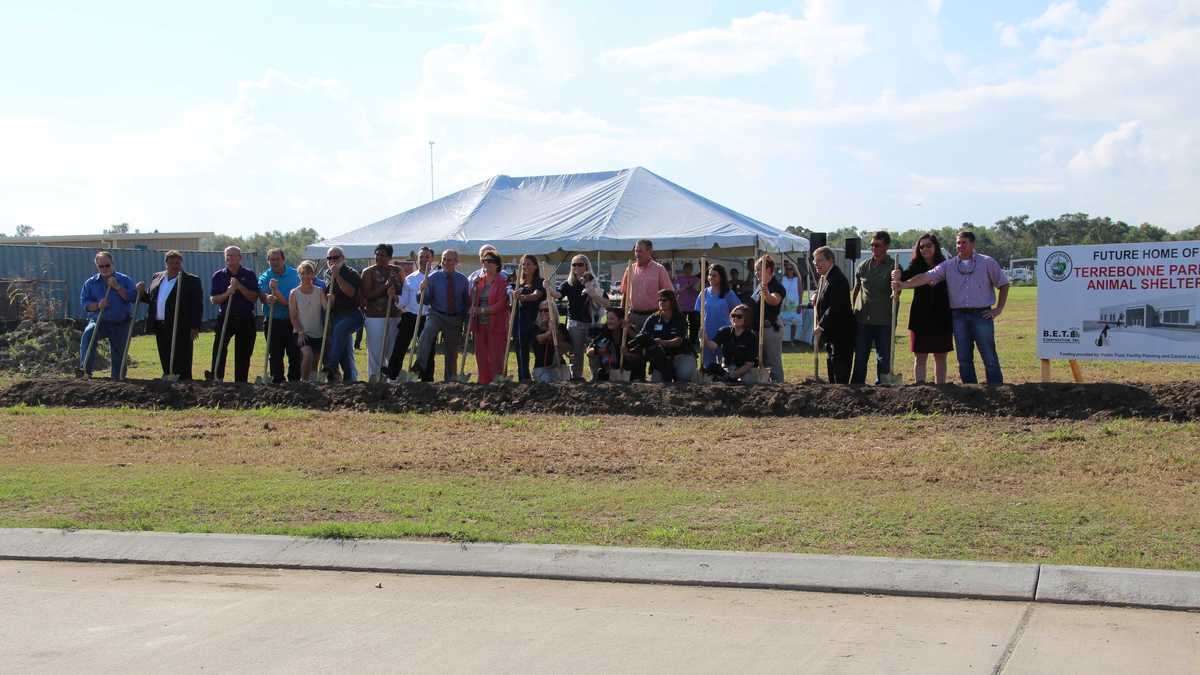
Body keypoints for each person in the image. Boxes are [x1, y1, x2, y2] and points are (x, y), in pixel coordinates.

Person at [893, 230, 1010, 384]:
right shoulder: (949, 265)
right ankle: (970, 390)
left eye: (964, 242)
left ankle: (997, 388)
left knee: (989, 356)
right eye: (958, 243)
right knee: (964, 358)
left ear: (973, 244)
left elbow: (1003, 284)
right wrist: (903, 285)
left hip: (982, 315)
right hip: (958, 316)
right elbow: (927, 277)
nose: (960, 246)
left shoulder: (987, 262)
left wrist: (998, 309)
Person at [141, 250, 203, 380]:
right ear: (166, 263)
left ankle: (185, 382)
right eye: (172, 263)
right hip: (160, 324)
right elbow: (150, 299)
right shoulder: (157, 278)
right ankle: (169, 378)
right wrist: (141, 292)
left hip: (181, 325)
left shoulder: (191, 280)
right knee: (165, 354)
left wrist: (195, 327)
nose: (175, 266)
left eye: (177, 263)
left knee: (182, 357)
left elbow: (197, 305)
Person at [545, 254, 607, 381]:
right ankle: (576, 377)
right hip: (575, 325)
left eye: (580, 264)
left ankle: (596, 377)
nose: (576, 267)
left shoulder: (593, 282)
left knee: (593, 352)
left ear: (586, 266)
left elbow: (606, 302)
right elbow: (557, 295)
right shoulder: (568, 284)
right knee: (576, 353)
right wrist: (548, 287)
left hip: (592, 324)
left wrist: (592, 294)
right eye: (574, 264)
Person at [78, 251, 140, 378]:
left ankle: (117, 379)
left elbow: (133, 298)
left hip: (120, 322)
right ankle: (85, 371)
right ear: (97, 267)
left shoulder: (124, 280)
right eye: (101, 266)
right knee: (88, 335)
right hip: (99, 321)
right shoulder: (90, 283)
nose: (105, 269)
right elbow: (85, 304)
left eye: (107, 265)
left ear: (112, 264)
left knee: (119, 353)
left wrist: (117, 287)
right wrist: (97, 305)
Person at [901, 233, 953, 384]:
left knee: (940, 356)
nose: (925, 249)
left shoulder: (945, 265)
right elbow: (904, 277)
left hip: (942, 316)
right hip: (920, 316)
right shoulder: (916, 264)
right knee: (920, 356)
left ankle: (941, 387)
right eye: (921, 246)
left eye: (928, 245)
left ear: (936, 247)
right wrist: (896, 272)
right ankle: (920, 387)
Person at [621, 239, 673, 381]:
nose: (637, 254)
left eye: (640, 251)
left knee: (653, 347)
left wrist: (666, 315)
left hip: (654, 316)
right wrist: (622, 314)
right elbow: (625, 294)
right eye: (636, 250)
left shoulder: (659, 269)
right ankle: (638, 377)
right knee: (635, 348)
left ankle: (657, 375)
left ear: (649, 251)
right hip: (634, 316)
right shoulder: (630, 268)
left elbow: (669, 294)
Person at [417, 249, 470, 382]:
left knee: (451, 352)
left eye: (449, 260)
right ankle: (419, 365)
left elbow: (466, 303)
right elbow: (424, 300)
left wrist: (465, 323)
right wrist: (421, 290)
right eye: (444, 259)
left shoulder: (463, 280)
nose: (445, 262)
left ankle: (450, 380)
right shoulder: (433, 277)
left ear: (456, 262)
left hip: (455, 318)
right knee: (427, 332)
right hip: (437, 314)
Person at [851, 231, 897, 385]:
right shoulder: (863, 266)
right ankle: (858, 385)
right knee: (861, 356)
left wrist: (897, 283)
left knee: (883, 357)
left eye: (877, 245)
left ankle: (883, 386)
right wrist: (853, 309)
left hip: (884, 320)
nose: (873, 248)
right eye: (871, 245)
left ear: (886, 246)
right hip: (863, 319)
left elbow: (898, 292)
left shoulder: (894, 267)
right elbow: (856, 290)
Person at [210, 245, 260, 382]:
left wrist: (239, 287)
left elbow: (254, 297)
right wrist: (228, 292)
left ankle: (241, 381)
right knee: (219, 348)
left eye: (233, 255)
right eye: (228, 255)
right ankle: (216, 377)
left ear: (240, 258)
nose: (230, 258)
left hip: (245, 317)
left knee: (243, 351)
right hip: (226, 316)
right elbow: (214, 299)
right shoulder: (219, 275)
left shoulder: (249, 274)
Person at [385, 247, 433, 381]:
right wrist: (394, 297)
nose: (423, 260)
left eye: (426, 257)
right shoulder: (410, 278)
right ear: (417, 259)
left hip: (428, 317)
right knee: (400, 344)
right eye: (421, 257)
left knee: (427, 348)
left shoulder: (435, 277)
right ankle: (392, 374)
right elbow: (403, 301)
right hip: (410, 315)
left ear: (432, 259)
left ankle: (427, 378)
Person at [630, 289, 695, 383]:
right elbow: (641, 336)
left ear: (672, 301)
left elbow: (679, 341)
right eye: (659, 300)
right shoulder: (653, 318)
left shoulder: (680, 318)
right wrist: (627, 329)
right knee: (656, 381)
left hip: (680, 354)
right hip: (661, 357)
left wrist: (662, 342)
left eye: (664, 300)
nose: (661, 302)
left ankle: (682, 374)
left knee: (683, 376)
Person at [258, 248, 302, 383]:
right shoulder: (265, 276)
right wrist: (266, 298)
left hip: (292, 320)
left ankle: (294, 381)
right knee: (275, 354)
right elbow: (261, 294)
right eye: (271, 259)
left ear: (283, 259)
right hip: (273, 321)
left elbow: (293, 302)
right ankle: (277, 382)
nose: (275, 262)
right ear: (268, 261)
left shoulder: (295, 275)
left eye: (277, 259)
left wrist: (277, 293)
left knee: (294, 352)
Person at [360, 244, 404, 381]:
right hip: (375, 317)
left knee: (393, 350)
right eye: (377, 254)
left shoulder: (397, 270)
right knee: (376, 351)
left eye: (383, 255)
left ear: (390, 257)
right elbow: (366, 295)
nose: (379, 257)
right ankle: (376, 377)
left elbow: (403, 291)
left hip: (394, 315)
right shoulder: (368, 272)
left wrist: (394, 290)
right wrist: (384, 287)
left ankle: (392, 379)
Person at [811, 245, 855, 383]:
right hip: (832, 335)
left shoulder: (837, 280)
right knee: (832, 367)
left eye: (820, 261)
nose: (816, 264)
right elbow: (822, 295)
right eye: (815, 261)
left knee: (839, 372)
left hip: (841, 334)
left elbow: (835, 307)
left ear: (830, 261)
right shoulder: (825, 277)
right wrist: (815, 296)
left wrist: (821, 326)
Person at [322, 246, 363, 382]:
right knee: (345, 351)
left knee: (339, 331)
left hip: (352, 315)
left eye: (336, 257)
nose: (332, 260)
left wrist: (337, 276)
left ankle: (330, 366)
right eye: (329, 258)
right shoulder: (326, 275)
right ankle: (349, 380)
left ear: (343, 258)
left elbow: (351, 293)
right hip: (336, 316)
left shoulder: (351, 273)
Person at [470, 251, 510, 384]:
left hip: (496, 324)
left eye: (490, 261)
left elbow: (501, 304)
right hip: (480, 324)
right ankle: (483, 381)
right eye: (484, 261)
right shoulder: (478, 281)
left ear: (497, 264)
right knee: (481, 355)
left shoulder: (502, 281)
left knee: (496, 354)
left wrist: (481, 310)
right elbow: (472, 300)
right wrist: (473, 288)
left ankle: (497, 380)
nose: (486, 263)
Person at [695, 263, 741, 369]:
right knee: (707, 366)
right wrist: (700, 330)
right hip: (707, 333)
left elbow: (739, 310)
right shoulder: (704, 293)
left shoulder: (728, 293)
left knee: (726, 366)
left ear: (721, 277)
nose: (711, 277)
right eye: (710, 275)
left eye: (714, 275)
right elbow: (698, 313)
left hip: (725, 334)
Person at [288, 260, 328, 381]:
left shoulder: (319, 291)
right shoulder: (294, 293)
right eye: (303, 273)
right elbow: (293, 316)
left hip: (318, 332)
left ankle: (313, 383)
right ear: (299, 275)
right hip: (302, 332)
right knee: (307, 354)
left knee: (315, 361)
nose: (306, 276)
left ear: (313, 275)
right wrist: (300, 331)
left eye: (308, 273)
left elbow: (327, 308)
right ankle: (304, 382)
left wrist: (330, 299)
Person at [750, 254, 786, 383]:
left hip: (770, 329)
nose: (756, 273)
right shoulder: (759, 286)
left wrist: (766, 295)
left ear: (769, 270)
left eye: (759, 269)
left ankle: (779, 388)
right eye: (755, 270)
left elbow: (774, 300)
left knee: (773, 364)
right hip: (758, 330)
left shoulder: (776, 286)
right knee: (762, 363)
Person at [512, 254, 547, 382]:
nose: (525, 266)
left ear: (535, 266)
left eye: (528, 264)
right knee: (521, 351)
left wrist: (523, 297)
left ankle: (539, 376)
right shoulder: (518, 283)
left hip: (535, 321)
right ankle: (524, 377)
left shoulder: (540, 282)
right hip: (519, 321)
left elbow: (536, 295)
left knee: (538, 349)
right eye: (523, 264)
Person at [703, 303, 758, 383]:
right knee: (711, 368)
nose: (735, 318)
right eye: (733, 315)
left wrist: (735, 374)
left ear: (746, 318)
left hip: (744, 369)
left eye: (739, 316)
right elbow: (712, 346)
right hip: (727, 367)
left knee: (747, 380)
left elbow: (749, 364)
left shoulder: (751, 337)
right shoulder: (724, 331)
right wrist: (704, 339)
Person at [531, 300, 571, 383]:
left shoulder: (561, 328)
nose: (543, 313)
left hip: (559, 365)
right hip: (542, 367)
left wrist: (555, 332)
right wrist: (549, 331)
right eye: (540, 310)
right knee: (547, 381)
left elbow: (566, 348)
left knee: (565, 381)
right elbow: (539, 339)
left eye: (546, 310)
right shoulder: (535, 327)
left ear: (553, 311)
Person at [586, 308, 625, 382]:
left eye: (612, 319)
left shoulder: (626, 332)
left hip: (624, 368)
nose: (609, 321)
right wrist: (598, 350)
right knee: (594, 353)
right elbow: (589, 351)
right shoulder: (603, 331)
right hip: (605, 366)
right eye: (608, 318)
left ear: (620, 321)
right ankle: (596, 377)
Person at [673, 261, 701, 351]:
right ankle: (682, 340)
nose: (688, 270)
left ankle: (693, 341)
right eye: (686, 268)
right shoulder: (678, 279)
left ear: (692, 270)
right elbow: (676, 291)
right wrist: (685, 287)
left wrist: (695, 285)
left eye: (690, 268)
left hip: (693, 306)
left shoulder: (696, 279)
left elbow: (698, 289)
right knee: (682, 324)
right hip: (682, 306)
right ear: (684, 269)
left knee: (694, 325)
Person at [778, 259, 804, 346]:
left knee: (794, 323)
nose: (789, 270)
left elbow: (801, 293)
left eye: (791, 268)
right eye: (787, 268)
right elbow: (780, 291)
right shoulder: (783, 278)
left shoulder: (797, 279)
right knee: (782, 322)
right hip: (785, 304)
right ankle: (780, 340)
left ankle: (792, 341)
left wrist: (800, 304)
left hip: (795, 304)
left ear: (794, 270)